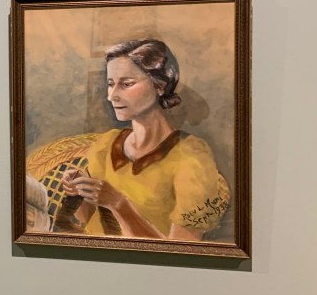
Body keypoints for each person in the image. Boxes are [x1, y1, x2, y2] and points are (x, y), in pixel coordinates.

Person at [60, 39, 230, 240]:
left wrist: (119, 204)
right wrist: (78, 191)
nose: (112, 96)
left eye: (126, 84)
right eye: (110, 84)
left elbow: (182, 248)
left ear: (160, 86)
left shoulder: (191, 156)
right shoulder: (106, 144)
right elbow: (86, 218)